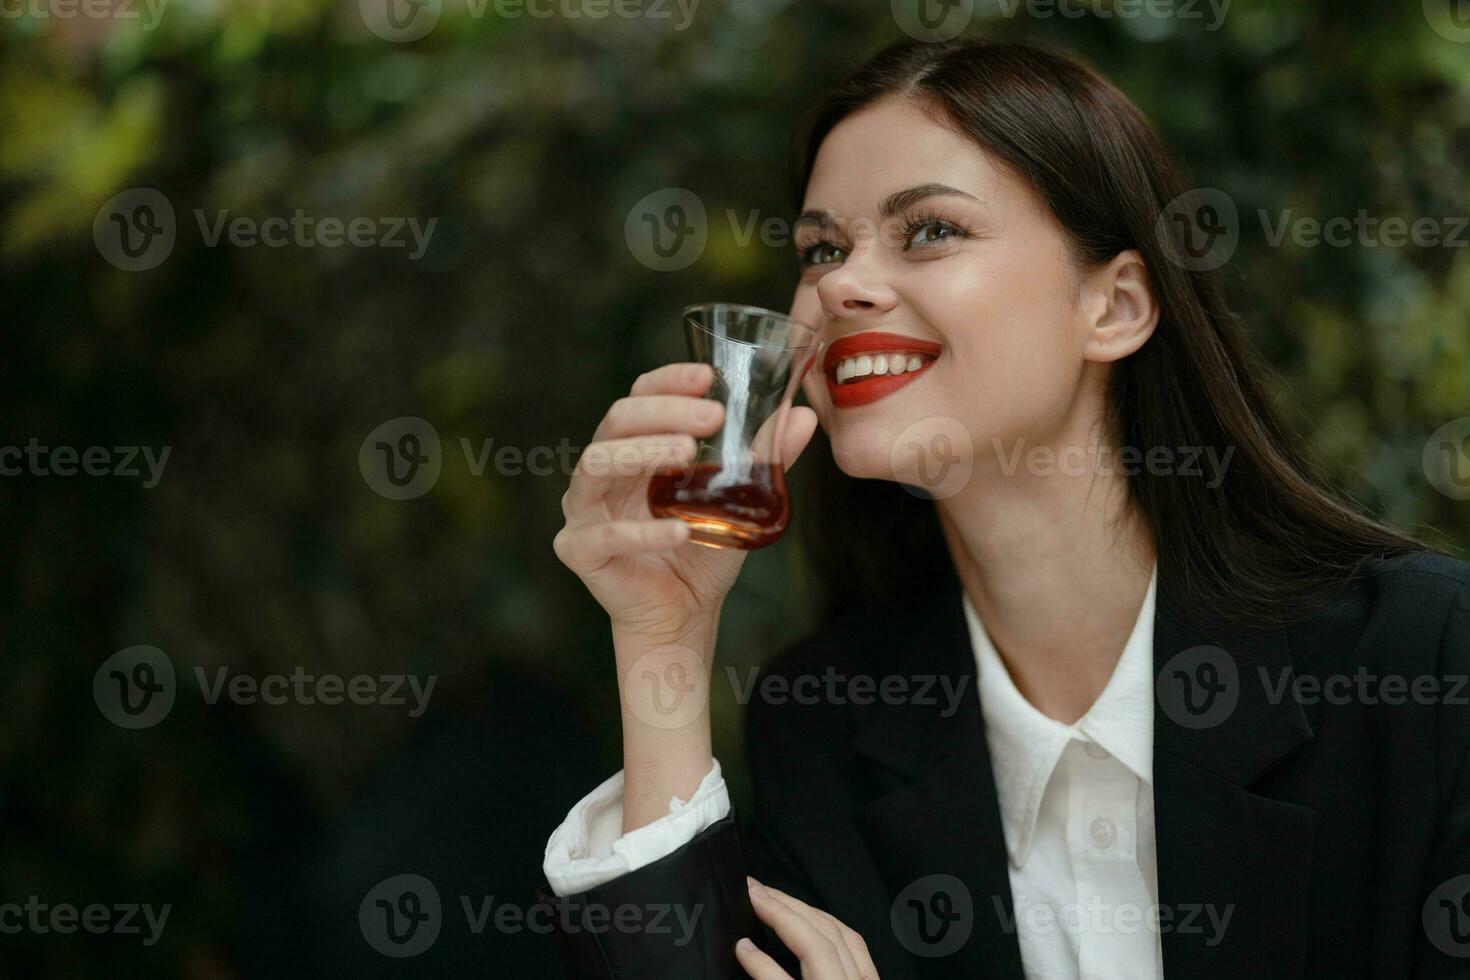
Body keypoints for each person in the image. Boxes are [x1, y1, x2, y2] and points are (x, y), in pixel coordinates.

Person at [540, 36, 1470, 979]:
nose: (839, 284)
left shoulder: (1422, 666)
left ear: (1115, 308)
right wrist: (663, 639)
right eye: (822, 247)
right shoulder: (827, 728)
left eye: (931, 230)